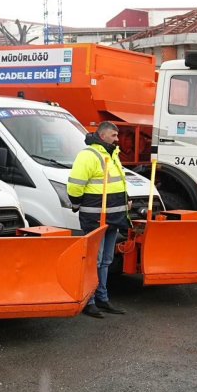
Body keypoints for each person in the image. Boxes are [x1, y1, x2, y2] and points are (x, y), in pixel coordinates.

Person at [66, 121, 130, 318]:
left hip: (113, 216)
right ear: (102, 136)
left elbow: (118, 184)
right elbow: (75, 186)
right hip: (95, 217)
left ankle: (102, 298)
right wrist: (76, 204)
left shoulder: (112, 154)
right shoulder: (89, 155)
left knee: (106, 260)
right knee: (95, 260)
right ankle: (90, 300)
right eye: (113, 136)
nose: (117, 139)